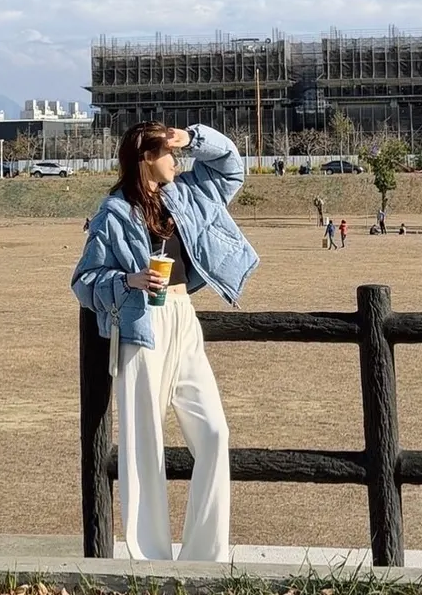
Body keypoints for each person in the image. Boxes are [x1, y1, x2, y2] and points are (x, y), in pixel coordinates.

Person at [72, 122, 259, 563]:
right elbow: (84, 281)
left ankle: (205, 557)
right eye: (167, 153)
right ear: (145, 159)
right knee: (144, 441)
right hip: (141, 325)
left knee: (214, 433)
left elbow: (232, 168)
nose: (175, 161)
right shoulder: (114, 213)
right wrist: (128, 280)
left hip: (182, 317)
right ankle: (149, 560)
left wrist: (192, 138)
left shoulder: (185, 194)